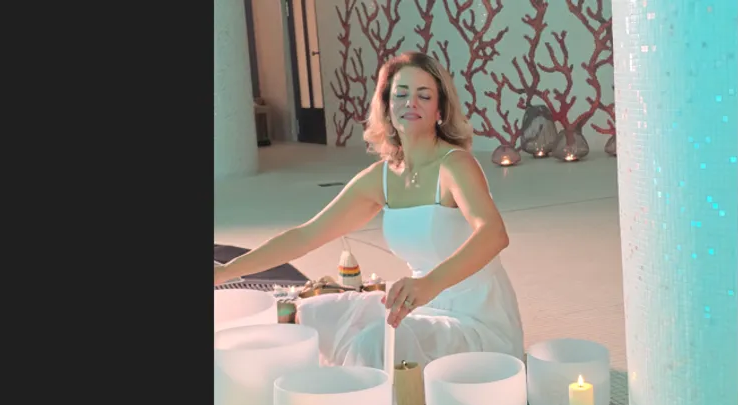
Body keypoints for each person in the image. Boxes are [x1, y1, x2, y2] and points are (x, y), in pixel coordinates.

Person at [214, 51, 524, 370]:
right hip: (419, 305)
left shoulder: (455, 165)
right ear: (387, 105)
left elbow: (494, 234)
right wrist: (225, 272)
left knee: (375, 341)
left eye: (424, 95)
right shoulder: (382, 177)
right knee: (313, 314)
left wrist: (429, 284)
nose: (411, 102)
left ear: (440, 110)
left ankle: (363, 397)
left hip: (475, 319)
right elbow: (306, 235)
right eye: (401, 94)